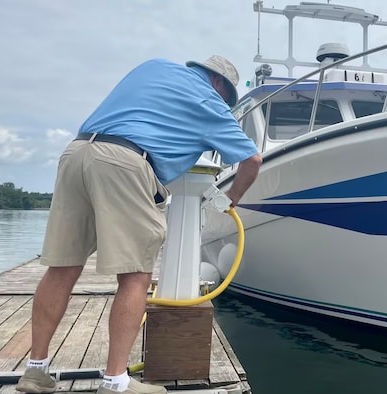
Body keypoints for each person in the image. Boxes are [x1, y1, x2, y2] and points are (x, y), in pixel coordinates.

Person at [15, 56, 262, 394]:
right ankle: (116, 382)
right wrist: (230, 198)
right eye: (226, 98)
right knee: (135, 275)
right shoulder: (210, 102)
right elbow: (252, 159)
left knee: (61, 267)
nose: (224, 105)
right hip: (126, 163)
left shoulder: (154, 67)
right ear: (219, 84)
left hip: (77, 153)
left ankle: (35, 371)